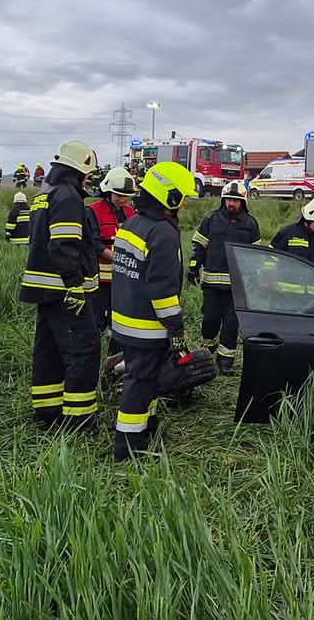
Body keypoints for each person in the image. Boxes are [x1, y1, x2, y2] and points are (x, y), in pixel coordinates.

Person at [110, 161, 197, 460]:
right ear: (170, 196)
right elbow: (163, 290)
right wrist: (176, 328)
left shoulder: (132, 223)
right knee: (140, 382)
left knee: (144, 379)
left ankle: (147, 425)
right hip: (147, 326)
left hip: (124, 320)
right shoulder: (163, 233)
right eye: (183, 198)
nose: (184, 204)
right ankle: (129, 445)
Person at [19, 141, 101, 432]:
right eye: (88, 174)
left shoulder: (45, 193)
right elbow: (64, 244)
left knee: (49, 350)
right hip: (64, 289)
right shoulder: (67, 196)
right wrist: (74, 284)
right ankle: (79, 419)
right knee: (84, 350)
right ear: (80, 171)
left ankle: (47, 410)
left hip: (44, 288)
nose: (88, 180)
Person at [189, 180, 260, 375]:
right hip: (211, 285)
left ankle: (225, 363)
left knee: (231, 325)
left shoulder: (250, 223)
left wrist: (255, 277)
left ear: (243, 202)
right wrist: (194, 267)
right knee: (210, 321)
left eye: (235, 201)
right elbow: (199, 245)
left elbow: (255, 255)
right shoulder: (211, 219)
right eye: (228, 200)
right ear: (223, 200)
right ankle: (206, 353)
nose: (231, 204)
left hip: (237, 287)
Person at [86, 167, 136, 360]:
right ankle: (93, 359)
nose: (122, 200)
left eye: (125, 196)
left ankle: (114, 359)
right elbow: (93, 243)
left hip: (124, 279)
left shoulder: (131, 212)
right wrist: (115, 257)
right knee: (97, 321)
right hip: (101, 280)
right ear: (108, 192)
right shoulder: (92, 211)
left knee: (120, 322)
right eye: (118, 195)